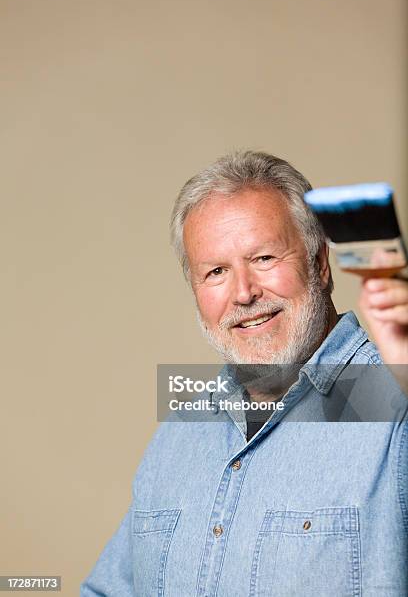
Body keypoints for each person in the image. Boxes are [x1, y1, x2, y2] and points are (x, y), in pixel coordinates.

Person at [81, 151, 408, 596]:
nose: (244, 294)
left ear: (320, 263)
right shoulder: (181, 432)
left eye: (264, 258)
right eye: (216, 271)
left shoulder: (394, 403)